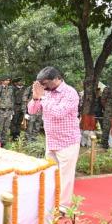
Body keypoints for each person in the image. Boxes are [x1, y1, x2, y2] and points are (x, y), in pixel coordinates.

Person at [28, 66, 80, 206]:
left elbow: (59, 112)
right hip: (51, 142)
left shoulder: (70, 93)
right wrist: (35, 97)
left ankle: (62, 207)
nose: (43, 87)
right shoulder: (46, 92)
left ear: (57, 78)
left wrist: (42, 97)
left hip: (67, 142)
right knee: (51, 175)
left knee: (65, 178)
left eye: (45, 83)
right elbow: (32, 111)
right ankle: (51, 203)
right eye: (41, 84)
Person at [0, 76, 15, 147]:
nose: (8, 82)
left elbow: (12, 100)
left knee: (6, 128)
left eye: (8, 80)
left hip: (8, 111)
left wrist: (12, 111)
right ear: (2, 81)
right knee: (0, 128)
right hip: (1, 111)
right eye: (6, 80)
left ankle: (3, 144)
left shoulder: (10, 89)